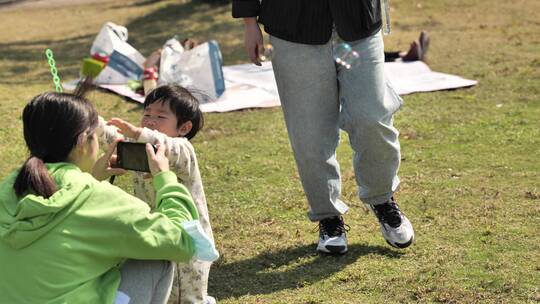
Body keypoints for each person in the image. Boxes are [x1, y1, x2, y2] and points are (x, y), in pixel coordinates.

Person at [233, 0, 415, 254]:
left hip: (359, 23)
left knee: (371, 116)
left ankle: (382, 199)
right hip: (293, 28)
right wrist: (249, 22)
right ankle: (328, 218)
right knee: (309, 133)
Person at [0, 92, 202, 303]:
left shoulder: (10, 185)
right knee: (156, 256)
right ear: (82, 142)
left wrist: (93, 178)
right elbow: (182, 241)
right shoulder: (100, 200)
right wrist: (164, 178)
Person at [98, 51, 216, 304]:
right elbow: (112, 138)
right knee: (162, 285)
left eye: (160, 117)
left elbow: (164, 144)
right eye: (147, 114)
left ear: (183, 128)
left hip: (187, 234)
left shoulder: (181, 149)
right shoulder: (142, 144)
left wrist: (142, 133)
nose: (150, 121)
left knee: (186, 289)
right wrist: (89, 121)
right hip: (157, 228)